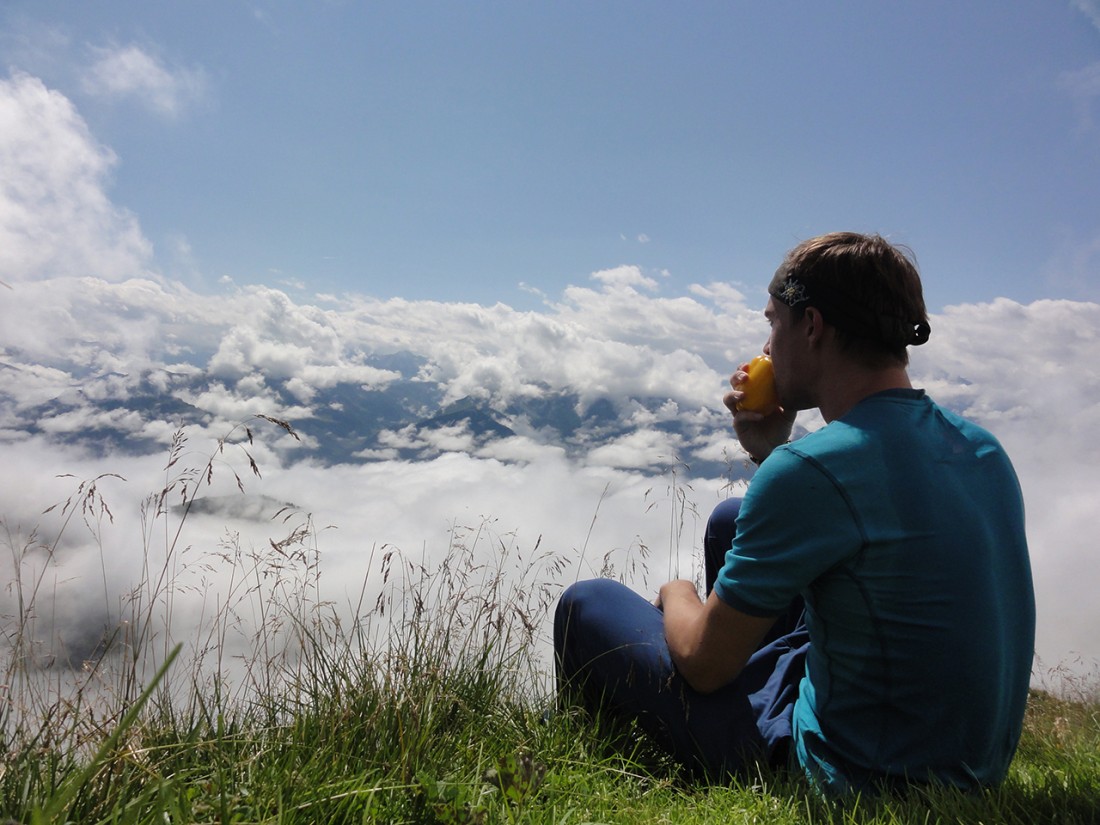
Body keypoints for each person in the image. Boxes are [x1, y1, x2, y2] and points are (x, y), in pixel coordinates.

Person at [553, 232, 1035, 795]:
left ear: (812, 326)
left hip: (860, 773)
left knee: (586, 605)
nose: (766, 345)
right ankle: (745, 683)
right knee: (731, 519)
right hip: (967, 764)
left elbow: (702, 662)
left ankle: (605, 760)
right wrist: (771, 453)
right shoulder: (980, 448)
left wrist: (677, 593)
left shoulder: (813, 471)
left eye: (773, 322)